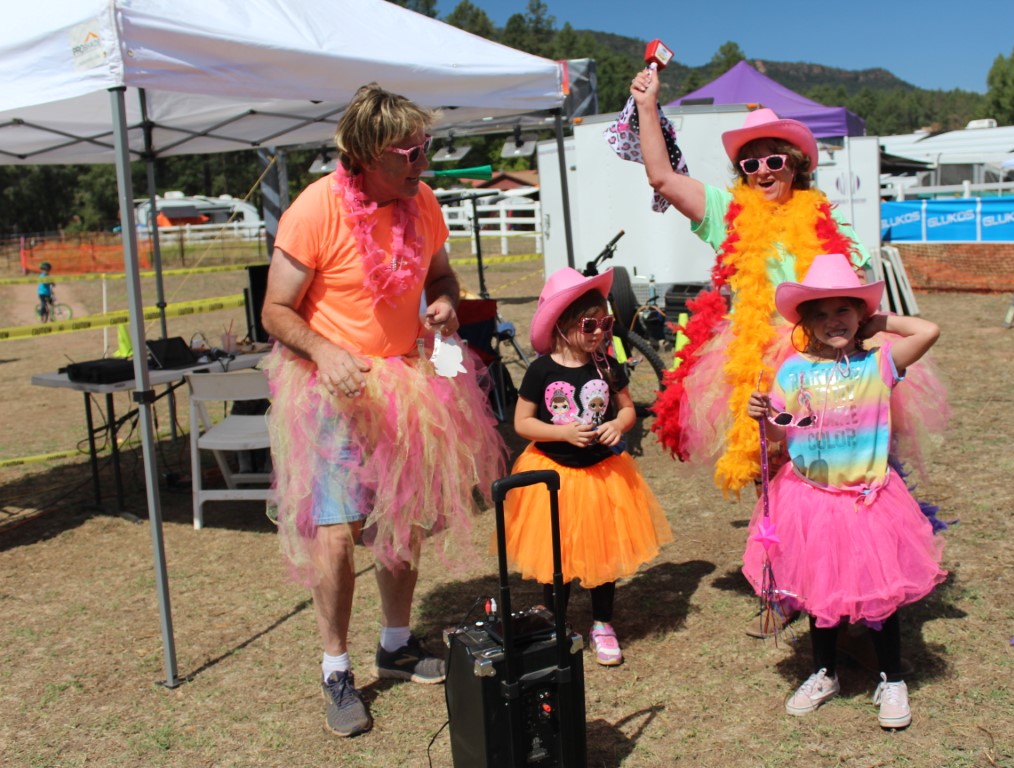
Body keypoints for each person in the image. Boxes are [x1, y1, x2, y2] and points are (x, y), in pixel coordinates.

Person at [260, 84, 505, 738]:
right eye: (410, 152)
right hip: (331, 389)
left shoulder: (422, 201)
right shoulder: (315, 209)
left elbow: (442, 276)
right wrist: (324, 351)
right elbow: (275, 310)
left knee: (403, 518)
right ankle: (335, 668)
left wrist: (445, 303)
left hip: (405, 382)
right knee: (337, 534)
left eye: (426, 147)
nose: (424, 161)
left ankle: (396, 643)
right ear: (368, 155)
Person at [628, 66, 874, 497]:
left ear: (795, 166)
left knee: (835, 466)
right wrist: (647, 107)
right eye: (750, 163)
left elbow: (861, 297)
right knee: (774, 471)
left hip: (827, 357)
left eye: (774, 160)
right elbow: (662, 178)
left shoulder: (830, 224)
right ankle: (776, 537)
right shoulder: (729, 214)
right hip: (759, 359)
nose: (763, 170)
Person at [743, 253, 947, 729]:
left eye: (844, 310)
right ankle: (824, 672)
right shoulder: (793, 371)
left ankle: (891, 678)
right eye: (820, 314)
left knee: (881, 595)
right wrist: (762, 417)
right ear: (805, 324)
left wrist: (880, 323)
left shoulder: (878, 363)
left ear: (860, 316)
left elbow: (928, 331)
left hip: (866, 502)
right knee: (819, 593)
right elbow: (779, 432)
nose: (833, 321)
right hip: (810, 501)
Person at [501, 268, 673, 666]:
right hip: (552, 474)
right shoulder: (541, 371)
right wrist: (561, 433)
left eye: (606, 324)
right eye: (590, 325)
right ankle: (555, 624)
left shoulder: (607, 365)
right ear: (563, 326)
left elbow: (627, 409)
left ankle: (602, 623)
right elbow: (522, 423)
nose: (600, 333)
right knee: (555, 554)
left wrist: (618, 425)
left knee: (604, 553)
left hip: (602, 475)